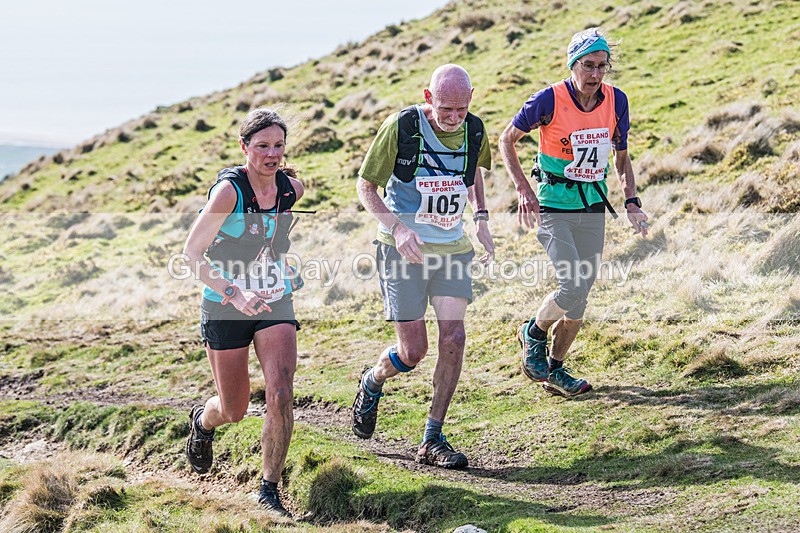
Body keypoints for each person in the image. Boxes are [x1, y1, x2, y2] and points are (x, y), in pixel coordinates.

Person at [351, 64, 495, 469]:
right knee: (413, 350)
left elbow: (472, 175)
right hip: (404, 252)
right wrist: (397, 228)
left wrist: (481, 218)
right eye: (446, 108)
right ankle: (373, 379)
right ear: (430, 98)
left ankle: (433, 436)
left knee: (454, 336)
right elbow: (366, 186)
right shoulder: (403, 127)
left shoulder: (475, 129)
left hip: (452, 249)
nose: (453, 117)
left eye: (461, 109)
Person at [498, 28, 649, 397]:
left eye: (602, 66)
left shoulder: (618, 101)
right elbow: (506, 140)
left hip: (593, 205)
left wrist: (631, 201)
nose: (596, 75)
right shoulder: (548, 99)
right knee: (572, 284)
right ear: (573, 65)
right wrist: (523, 189)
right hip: (553, 205)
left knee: (581, 295)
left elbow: (621, 157)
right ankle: (532, 331)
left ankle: (555, 370)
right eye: (588, 66)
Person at [182, 108, 304, 517]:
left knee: (281, 391)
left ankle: (268, 490)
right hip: (225, 305)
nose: (272, 154)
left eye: (278, 146)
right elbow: (192, 254)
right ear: (244, 147)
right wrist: (234, 292)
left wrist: (280, 261)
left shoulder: (291, 188)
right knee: (234, 410)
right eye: (262, 146)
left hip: (274, 299)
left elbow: (275, 233)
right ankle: (203, 422)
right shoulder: (228, 193)